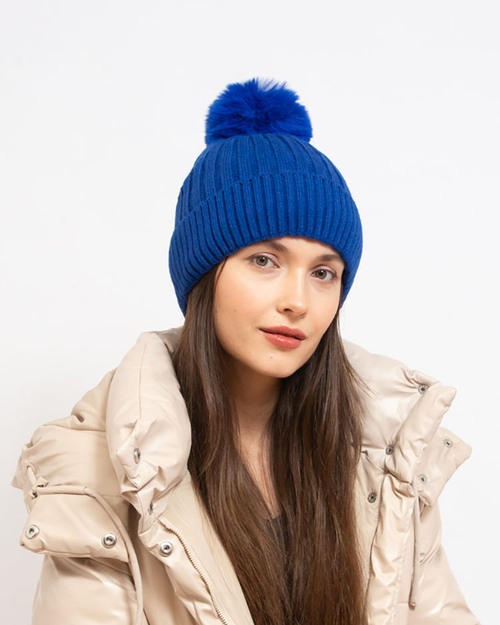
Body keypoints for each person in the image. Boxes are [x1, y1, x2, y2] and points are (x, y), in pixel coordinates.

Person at [11, 77, 480, 625]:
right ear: (203, 274)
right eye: (264, 260)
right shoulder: (105, 472)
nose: (298, 301)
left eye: (324, 272)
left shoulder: (388, 451)